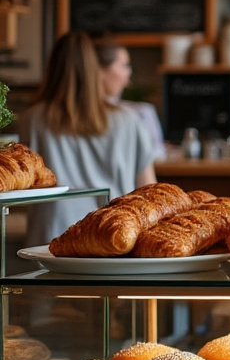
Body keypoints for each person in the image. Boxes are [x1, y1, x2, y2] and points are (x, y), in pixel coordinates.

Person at [19, 31, 158, 246]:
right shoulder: (129, 120)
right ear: (94, 70)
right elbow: (149, 193)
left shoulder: (32, 119)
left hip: (49, 240)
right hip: (113, 237)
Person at [92, 35, 165, 160]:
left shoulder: (140, 112)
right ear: (100, 71)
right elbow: (155, 157)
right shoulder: (137, 115)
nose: (128, 73)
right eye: (124, 65)